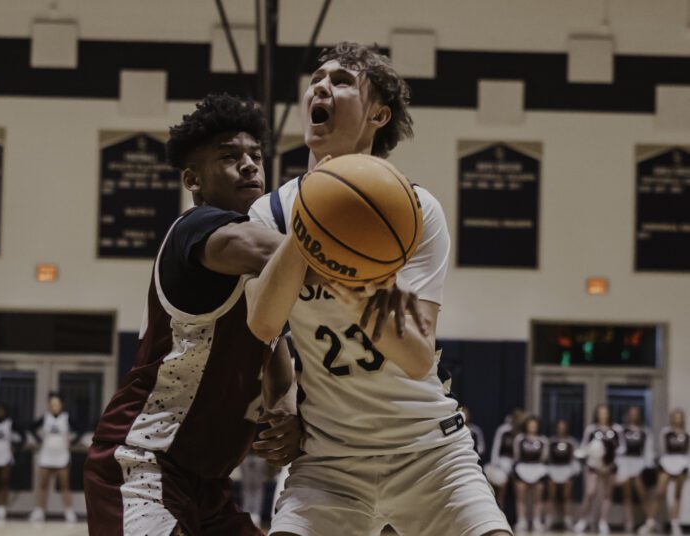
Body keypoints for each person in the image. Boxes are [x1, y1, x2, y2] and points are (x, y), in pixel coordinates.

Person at [245, 42, 511, 536]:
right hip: (329, 460)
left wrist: (360, 288)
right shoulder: (272, 213)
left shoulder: (415, 211)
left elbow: (416, 357)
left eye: (342, 81)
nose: (322, 87)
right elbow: (262, 323)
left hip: (427, 451)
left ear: (378, 114)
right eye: (317, 79)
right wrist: (314, 216)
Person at [83, 94, 301, 536]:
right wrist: (354, 242)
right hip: (143, 466)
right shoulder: (197, 229)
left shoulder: (266, 275)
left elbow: (277, 366)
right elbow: (277, 253)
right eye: (229, 156)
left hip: (209, 486)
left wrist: (286, 413)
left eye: (256, 156)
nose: (249, 165)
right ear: (192, 179)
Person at [29, 392, 83, 523]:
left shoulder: (66, 417)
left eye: (57, 404)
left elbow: (80, 430)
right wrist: (39, 439)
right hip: (46, 455)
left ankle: (69, 512)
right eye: (52, 404)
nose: (54, 406)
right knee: (43, 485)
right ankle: (39, 511)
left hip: (61, 456)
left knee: (65, 485)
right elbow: (31, 428)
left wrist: (73, 441)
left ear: (61, 405)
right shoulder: (45, 418)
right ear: (49, 405)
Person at [638, 408, 689, 536]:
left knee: (677, 495)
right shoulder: (666, 432)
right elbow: (664, 448)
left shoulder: (686, 434)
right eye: (675, 416)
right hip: (667, 462)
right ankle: (650, 522)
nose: (677, 419)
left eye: (680, 416)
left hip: (682, 463)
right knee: (659, 493)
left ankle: (675, 523)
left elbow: (687, 451)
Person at [574, 404, 623, 534]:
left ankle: (603, 521)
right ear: (596, 414)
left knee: (607, 494)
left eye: (605, 412)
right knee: (590, 493)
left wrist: (610, 455)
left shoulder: (616, 429)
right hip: (594, 465)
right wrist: (590, 454)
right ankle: (583, 520)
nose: (603, 415)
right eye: (600, 412)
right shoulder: (591, 429)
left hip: (610, 466)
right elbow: (584, 446)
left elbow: (622, 447)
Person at [616, 406, 654, 532]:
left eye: (636, 413)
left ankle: (650, 520)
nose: (633, 416)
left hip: (639, 463)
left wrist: (647, 467)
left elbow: (648, 451)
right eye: (631, 413)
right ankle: (629, 522)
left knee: (642, 493)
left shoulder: (645, 431)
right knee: (626, 494)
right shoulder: (621, 430)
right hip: (625, 463)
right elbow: (618, 448)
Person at [512, 416, 549, 532]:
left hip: (538, 468)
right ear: (526, 426)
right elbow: (516, 454)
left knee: (537, 498)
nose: (532, 427)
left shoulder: (543, 440)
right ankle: (521, 520)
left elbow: (544, 456)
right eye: (530, 425)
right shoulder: (519, 438)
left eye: (534, 425)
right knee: (521, 497)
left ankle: (536, 520)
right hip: (522, 468)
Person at [486, 409, 526, 508]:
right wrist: (494, 463)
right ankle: (498, 510)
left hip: (516, 465)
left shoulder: (522, 432)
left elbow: (519, 452)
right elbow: (496, 446)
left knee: (519, 488)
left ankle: (519, 515)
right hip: (502, 463)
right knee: (500, 489)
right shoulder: (503, 429)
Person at [545, 419, 579, 530]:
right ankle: (549, 519)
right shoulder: (551, 441)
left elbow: (575, 459)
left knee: (567, 496)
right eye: (559, 427)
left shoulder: (571, 441)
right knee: (551, 496)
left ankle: (568, 520)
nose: (561, 429)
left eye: (563, 427)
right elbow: (546, 457)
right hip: (553, 469)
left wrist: (572, 473)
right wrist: (549, 472)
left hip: (567, 470)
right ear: (556, 428)